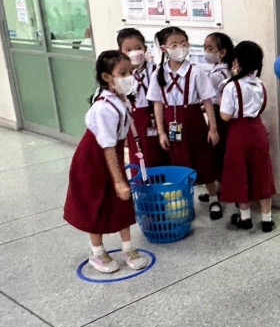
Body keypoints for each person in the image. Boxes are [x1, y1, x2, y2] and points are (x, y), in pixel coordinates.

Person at [64, 50, 149, 274]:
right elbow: (107, 146)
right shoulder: (103, 107)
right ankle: (98, 252)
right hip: (93, 160)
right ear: (106, 77)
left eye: (130, 72)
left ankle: (128, 248)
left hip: (113, 157)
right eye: (122, 73)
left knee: (121, 203)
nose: (128, 77)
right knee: (96, 204)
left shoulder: (122, 99)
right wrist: (119, 181)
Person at [147, 26, 223, 220]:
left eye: (184, 43)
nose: (180, 48)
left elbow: (207, 100)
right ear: (164, 49)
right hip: (171, 122)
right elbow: (157, 103)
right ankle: (183, 201)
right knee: (178, 163)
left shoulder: (196, 72)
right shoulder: (158, 73)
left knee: (204, 159)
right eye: (174, 45)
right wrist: (161, 132)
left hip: (194, 121)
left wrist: (212, 128)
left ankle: (214, 198)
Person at [220, 41, 276, 232]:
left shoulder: (231, 87)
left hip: (238, 134)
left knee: (239, 173)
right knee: (262, 173)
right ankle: (267, 219)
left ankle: (245, 218)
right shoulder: (261, 85)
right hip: (258, 131)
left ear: (237, 61)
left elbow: (225, 115)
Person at [117, 28, 168, 169]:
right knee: (139, 157)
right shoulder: (120, 76)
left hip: (156, 117)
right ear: (120, 52)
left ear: (145, 48)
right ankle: (142, 187)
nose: (134, 52)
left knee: (160, 155)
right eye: (128, 49)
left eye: (138, 48)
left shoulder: (155, 70)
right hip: (134, 121)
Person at [198, 32, 234, 203]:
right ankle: (223, 189)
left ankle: (221, 190)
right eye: (205, 47)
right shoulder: (230, 69)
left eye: (210, 48)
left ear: (222, 52)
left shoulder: (216, 75)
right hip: (229, 119)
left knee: (218, 154)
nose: (206, 51)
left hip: (220, 119)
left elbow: (212, 102)